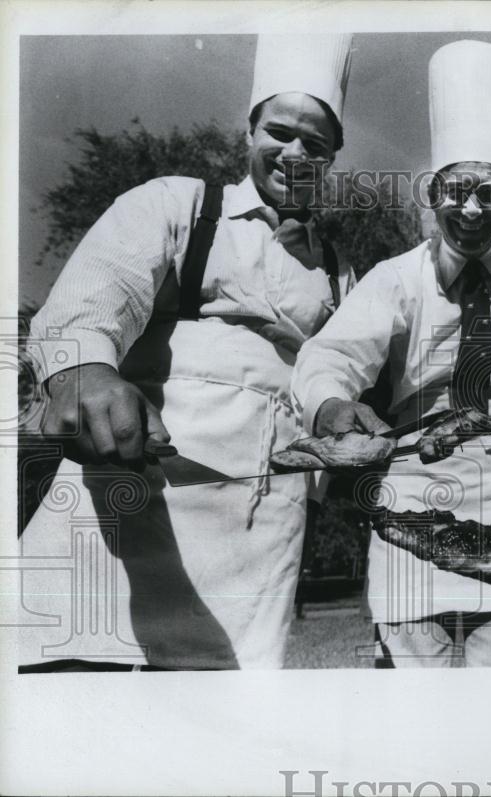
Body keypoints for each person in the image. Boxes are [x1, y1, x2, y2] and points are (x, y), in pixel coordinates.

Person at [19, 34, 355, 670]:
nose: (294, 153)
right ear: (249, 130)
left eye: (316, 144)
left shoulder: (338, 269)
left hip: (263, 515)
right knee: (82, 673)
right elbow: (98, 293)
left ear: (333, 157)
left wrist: (337, 413)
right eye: (279, 132)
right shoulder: (182, 204)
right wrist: (85, 370)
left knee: (221, 706)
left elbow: (330, 371)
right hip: (138, 486)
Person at [292, 40, 491, 667]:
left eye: (489, 192)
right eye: (457, 190)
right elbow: (329, 359)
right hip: (409, 517)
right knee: (412, 712)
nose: (472, 210)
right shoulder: (396, 280)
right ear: (432, 193)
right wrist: (333, 410)